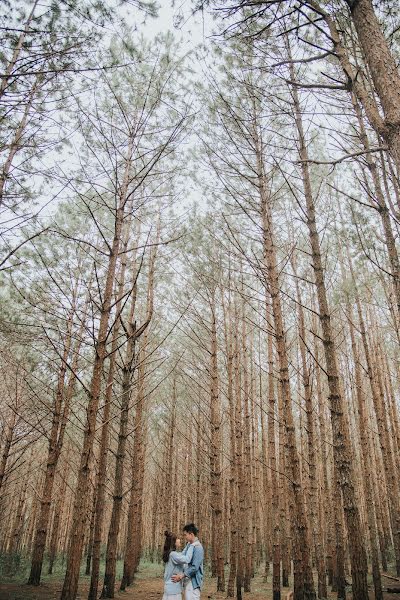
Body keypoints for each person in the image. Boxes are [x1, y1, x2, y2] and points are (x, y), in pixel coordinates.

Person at [171, 523, 204, 600]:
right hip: (187, 580)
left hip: (193, 582)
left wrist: (181, 576)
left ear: (191, 534)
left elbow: (195, 567)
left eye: (185, 535)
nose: (184, 537)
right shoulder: (189, 545)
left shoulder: (198, 548)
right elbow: (183, 557)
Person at [162, 530, 194, 600]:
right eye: (177, 539)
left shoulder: (171, 554)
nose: (179, 540)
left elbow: (182, 554)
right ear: (174, 542)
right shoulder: (173, 555)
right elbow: (187, 559)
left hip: (170, 587)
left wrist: (189, 544)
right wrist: (192, 545)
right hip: (173, 589)